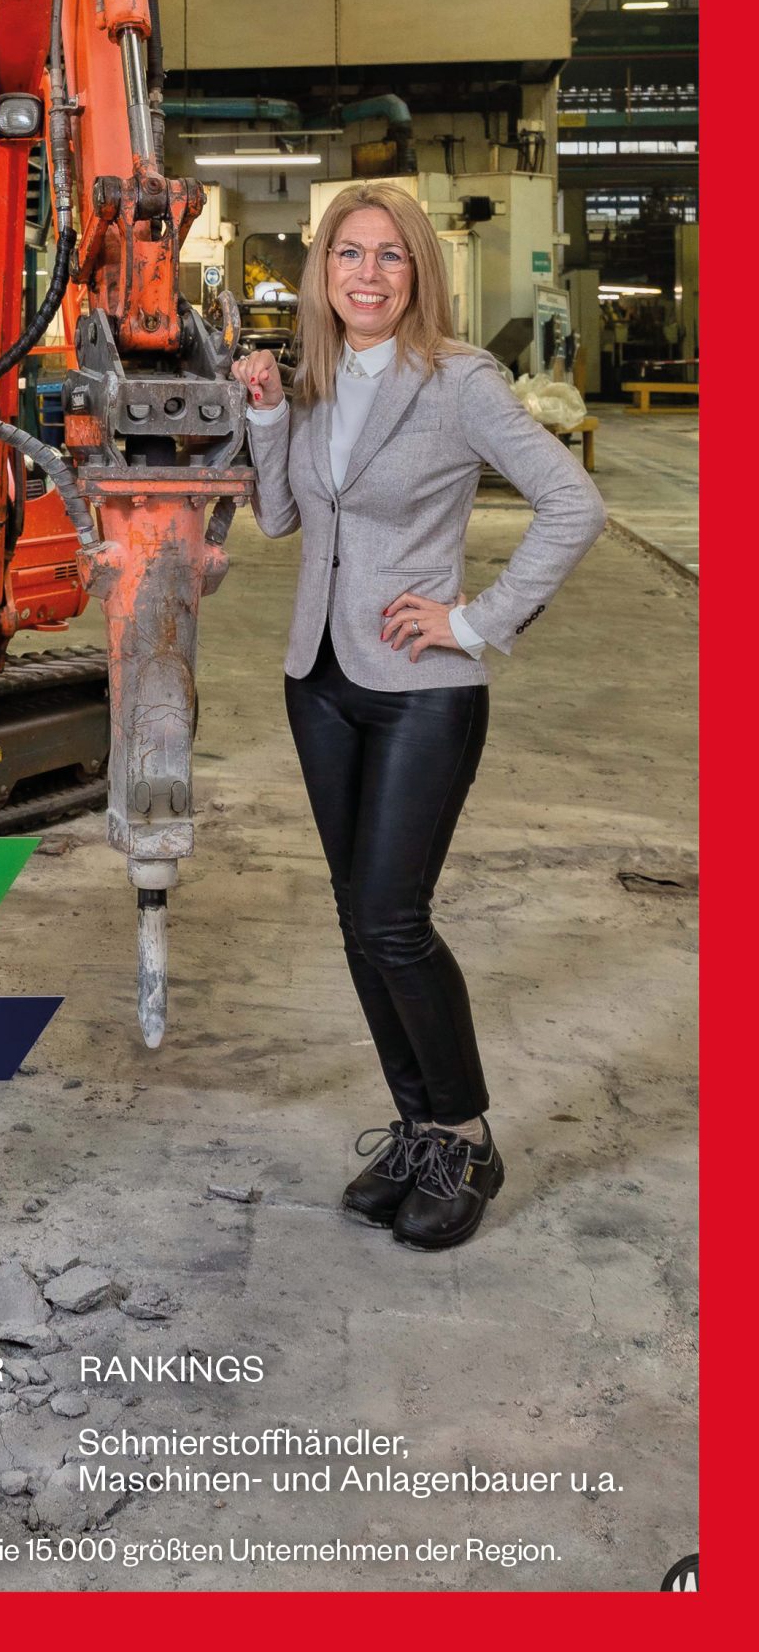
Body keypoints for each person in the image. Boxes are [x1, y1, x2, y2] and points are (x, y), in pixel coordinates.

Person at [230, 183, 605, 1252]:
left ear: (418, 273)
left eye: (389, 256)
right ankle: (416, 1130)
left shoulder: (458, 381)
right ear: (321, 270)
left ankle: (466, 1137)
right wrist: (269, 416)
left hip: (421, 690)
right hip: (320, 679)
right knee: (358, 919)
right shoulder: (312, 380)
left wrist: (475, 621)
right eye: (348, 253)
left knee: (394, 918)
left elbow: (574, 504)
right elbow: (281, 517)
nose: (367, 274)